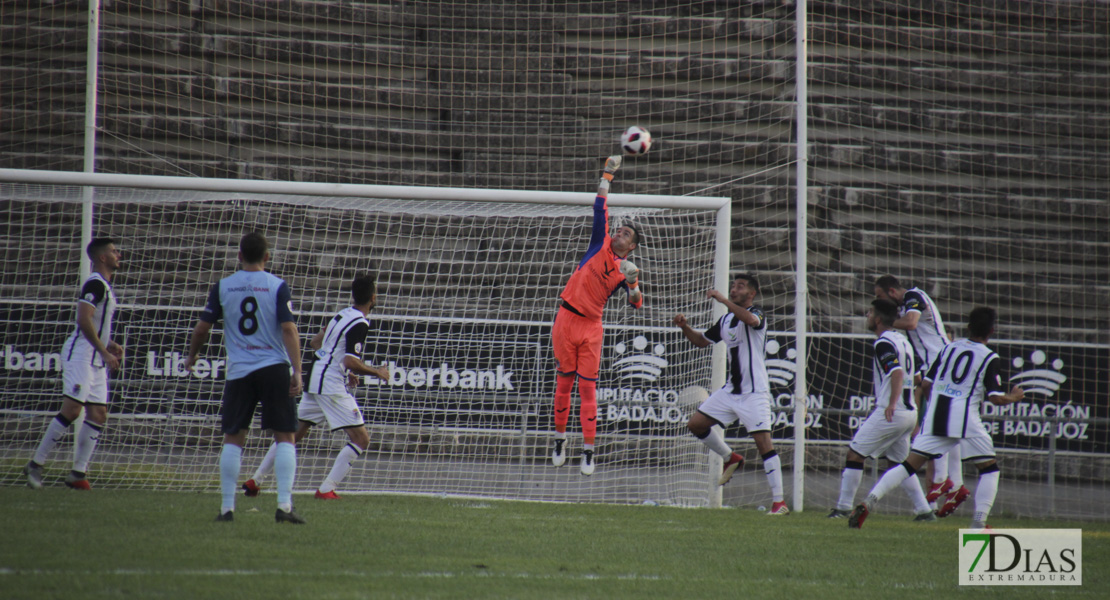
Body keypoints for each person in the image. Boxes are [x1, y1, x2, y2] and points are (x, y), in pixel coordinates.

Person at [848, 307, 1025, 530]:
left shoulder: (948, 348)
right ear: (991, 331)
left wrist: (938, 402)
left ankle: (868, 502)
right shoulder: (990, 357)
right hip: (965, 418)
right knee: (989, 469)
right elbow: (995, 398)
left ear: (968, 328)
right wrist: (1014, 396)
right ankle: (978, 523)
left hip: (936, 415)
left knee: (907, 465)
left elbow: (926, 383)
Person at [184, 232, 305, 524]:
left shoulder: (223, 286)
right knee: (285, 435)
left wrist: (192, 356)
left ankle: (227, 508)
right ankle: (284, 507)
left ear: (239, 256)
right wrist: (298, 370)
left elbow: (202, 329)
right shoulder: (277, 286)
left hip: (239, 370)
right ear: (267, 257)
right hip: (273, 367)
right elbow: (288, 329)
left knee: (234, 437)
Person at [242, 274, 390, 499]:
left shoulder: (341, 315)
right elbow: (350, 360)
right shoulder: (360, 321)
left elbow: (315, 342)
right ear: (373, 297)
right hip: (330, 384)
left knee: (292, 434)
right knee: (361, 439)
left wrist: (344, 369)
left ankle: (255, 481)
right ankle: (326, 489)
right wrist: (376, 371)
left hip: (316, 378)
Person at [550, 154, 643, 475]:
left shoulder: (627, 269)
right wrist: (607, 174)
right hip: (566, 318)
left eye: (627, 234)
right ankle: (560, 439)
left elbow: (636, 303)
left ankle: (589, 449)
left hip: (591, 327)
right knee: (564, 384)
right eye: (620, 230)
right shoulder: (599, 243)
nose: (620, 232)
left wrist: (632, 284)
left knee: (587, 389)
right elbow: (599, 207)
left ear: (631, 247)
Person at [673, 274, 788, 515]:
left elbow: (750, 319)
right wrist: (685, 326)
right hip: (730, 391)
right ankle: (731, 457)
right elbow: (701, 341)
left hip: (754, 393)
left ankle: (779, 503)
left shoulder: (757, 314)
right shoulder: (726, 321)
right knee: (695, 425)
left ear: (752, 294)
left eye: (740, 286)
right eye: (733, 286)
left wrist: (724, 299)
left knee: (764, 445)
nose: (735, 289)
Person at [24, 238, 124, 490]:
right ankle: (35, 464)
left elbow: (94, 323)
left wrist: (108, 343)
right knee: (72, 409)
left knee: (98, 414)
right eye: (114, 251)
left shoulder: (106, 286)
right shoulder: (95, 283)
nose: (118, 254)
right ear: (102, 258)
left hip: (95, 356)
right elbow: (83, 318)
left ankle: (78, 474)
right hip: (81, 353)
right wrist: (104, 350)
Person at [827, 299, 933, 521]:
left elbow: (896, 372)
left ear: (876, 319)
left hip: (891, 412)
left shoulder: (883, 343)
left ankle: (843, 508)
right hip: (909, 412)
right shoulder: (903, 341)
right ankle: (924, 511)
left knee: (855, 454)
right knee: (901, 465)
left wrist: (892, 403)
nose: (867, 316)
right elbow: (916, 378)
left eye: (869, 313)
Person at [873, 275, 963, 514]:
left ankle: (944, 481)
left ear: (892, 291)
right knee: (947, 423)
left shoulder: (913, 296)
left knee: (940, 423)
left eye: (880, 296)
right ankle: (954, 485)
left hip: (941, 362)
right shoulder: (906, 303)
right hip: (935, 365)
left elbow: (912, 323)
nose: (877, 301)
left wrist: (886, 321)